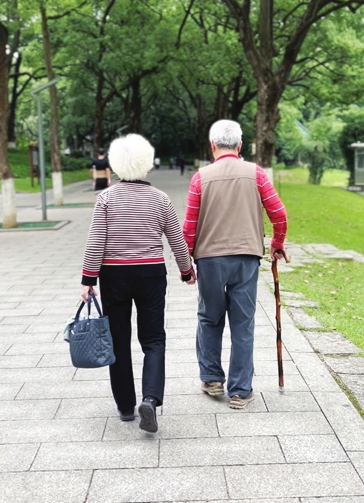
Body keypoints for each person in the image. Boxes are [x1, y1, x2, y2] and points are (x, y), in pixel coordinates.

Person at [81, 134, 195, 433]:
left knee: (118, 340)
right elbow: (176, 240)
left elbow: (96, 242)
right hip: (151, 275)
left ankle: (125, 406)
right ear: (147, 163)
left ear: (115, 164)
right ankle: (150, 398)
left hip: (114, 276)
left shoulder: (106, 198)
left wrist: (87, 279)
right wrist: (186, 270)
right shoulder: (161, 199)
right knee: (154, 339)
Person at [182, 119, 288, 409]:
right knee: (243, 324)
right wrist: (277, 243)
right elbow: (279, 214)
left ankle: (212, 378)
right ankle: (240, 390)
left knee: (209, 318)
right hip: (246, 257)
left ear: (212, 145)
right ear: (240, 146)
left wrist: (186, 264)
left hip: (210, 259)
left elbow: (189, 227)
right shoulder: (256, 174)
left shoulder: (200, 178)